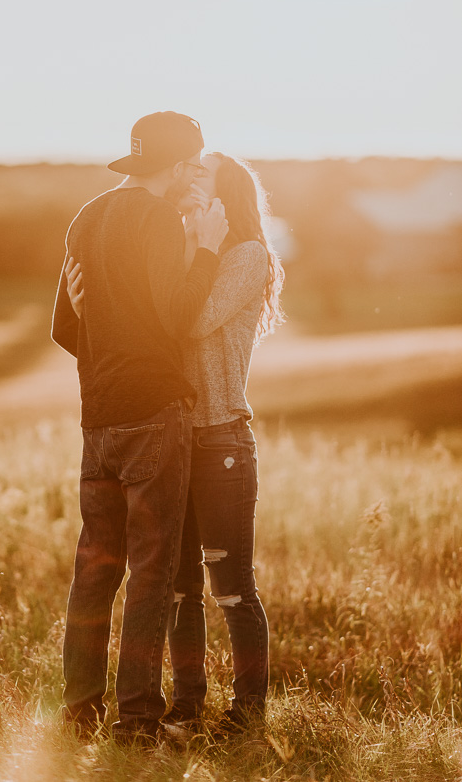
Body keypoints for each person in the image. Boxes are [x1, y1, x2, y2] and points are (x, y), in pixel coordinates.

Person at [67, 151, 285, 736]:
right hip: (173, 437)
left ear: (226, 196)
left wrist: (200, 249)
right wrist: (90, 309)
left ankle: (247, 716)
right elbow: (150, 315)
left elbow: (184, 322)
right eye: (187, 170)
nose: (190, 179)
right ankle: (188, 709)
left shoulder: (245, 256)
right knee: (183, 589)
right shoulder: (185, 251)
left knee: (232, 589)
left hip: (220, 439)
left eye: (203, 175)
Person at [51, 111, 228, 745]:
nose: (200, 174)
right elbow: (180, 317)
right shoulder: (155, 219)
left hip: (98, 417)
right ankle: (137, 721)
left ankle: (78, 710)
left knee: (95, 567)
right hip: (155, 413)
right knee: (152, 572)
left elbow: (64, 328)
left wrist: (110, 346)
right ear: (179, 166)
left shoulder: (87, 217)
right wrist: (206, 248)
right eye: (196, 164)